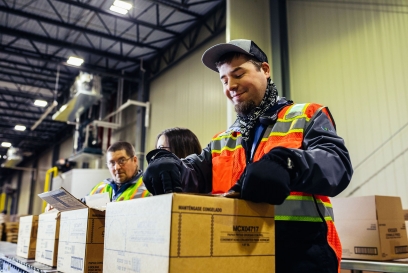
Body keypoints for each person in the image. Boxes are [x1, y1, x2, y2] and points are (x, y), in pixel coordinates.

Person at [143, 39, 353, 273]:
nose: (230, 86)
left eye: (238, 74)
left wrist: (287, 163)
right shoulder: (224, 139)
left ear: (264, 70)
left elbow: (337, 164)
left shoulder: (306, 116)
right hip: (238, 258)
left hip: (302, 258)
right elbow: (191, 172)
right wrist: (164, 160)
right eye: (224, 80)